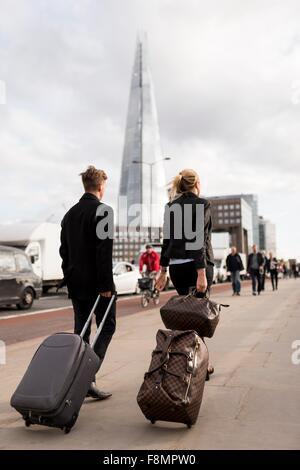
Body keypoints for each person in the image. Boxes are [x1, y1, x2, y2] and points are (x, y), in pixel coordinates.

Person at [59, 166, 116, 400]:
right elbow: (104, 252)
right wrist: (106, 285)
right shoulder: (104, 211)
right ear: (101, 187)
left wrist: (69, 276)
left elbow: (64, 251)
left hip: (76, 283)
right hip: (98, 284)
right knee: (108, 326)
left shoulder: (69, 214)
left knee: (81, 332)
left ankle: (79, 379)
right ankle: (86, 378)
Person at [155, 169, 215, 377]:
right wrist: (201, 272)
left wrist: (162, 271)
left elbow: (166, 241)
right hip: (196, 266)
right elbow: (198, 238)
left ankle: (184, 363)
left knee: (184, 318)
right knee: (199, 318)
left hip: (177, 268)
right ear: (196, 183)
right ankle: (200, 366)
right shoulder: (202, 204)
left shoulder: (170, 207)